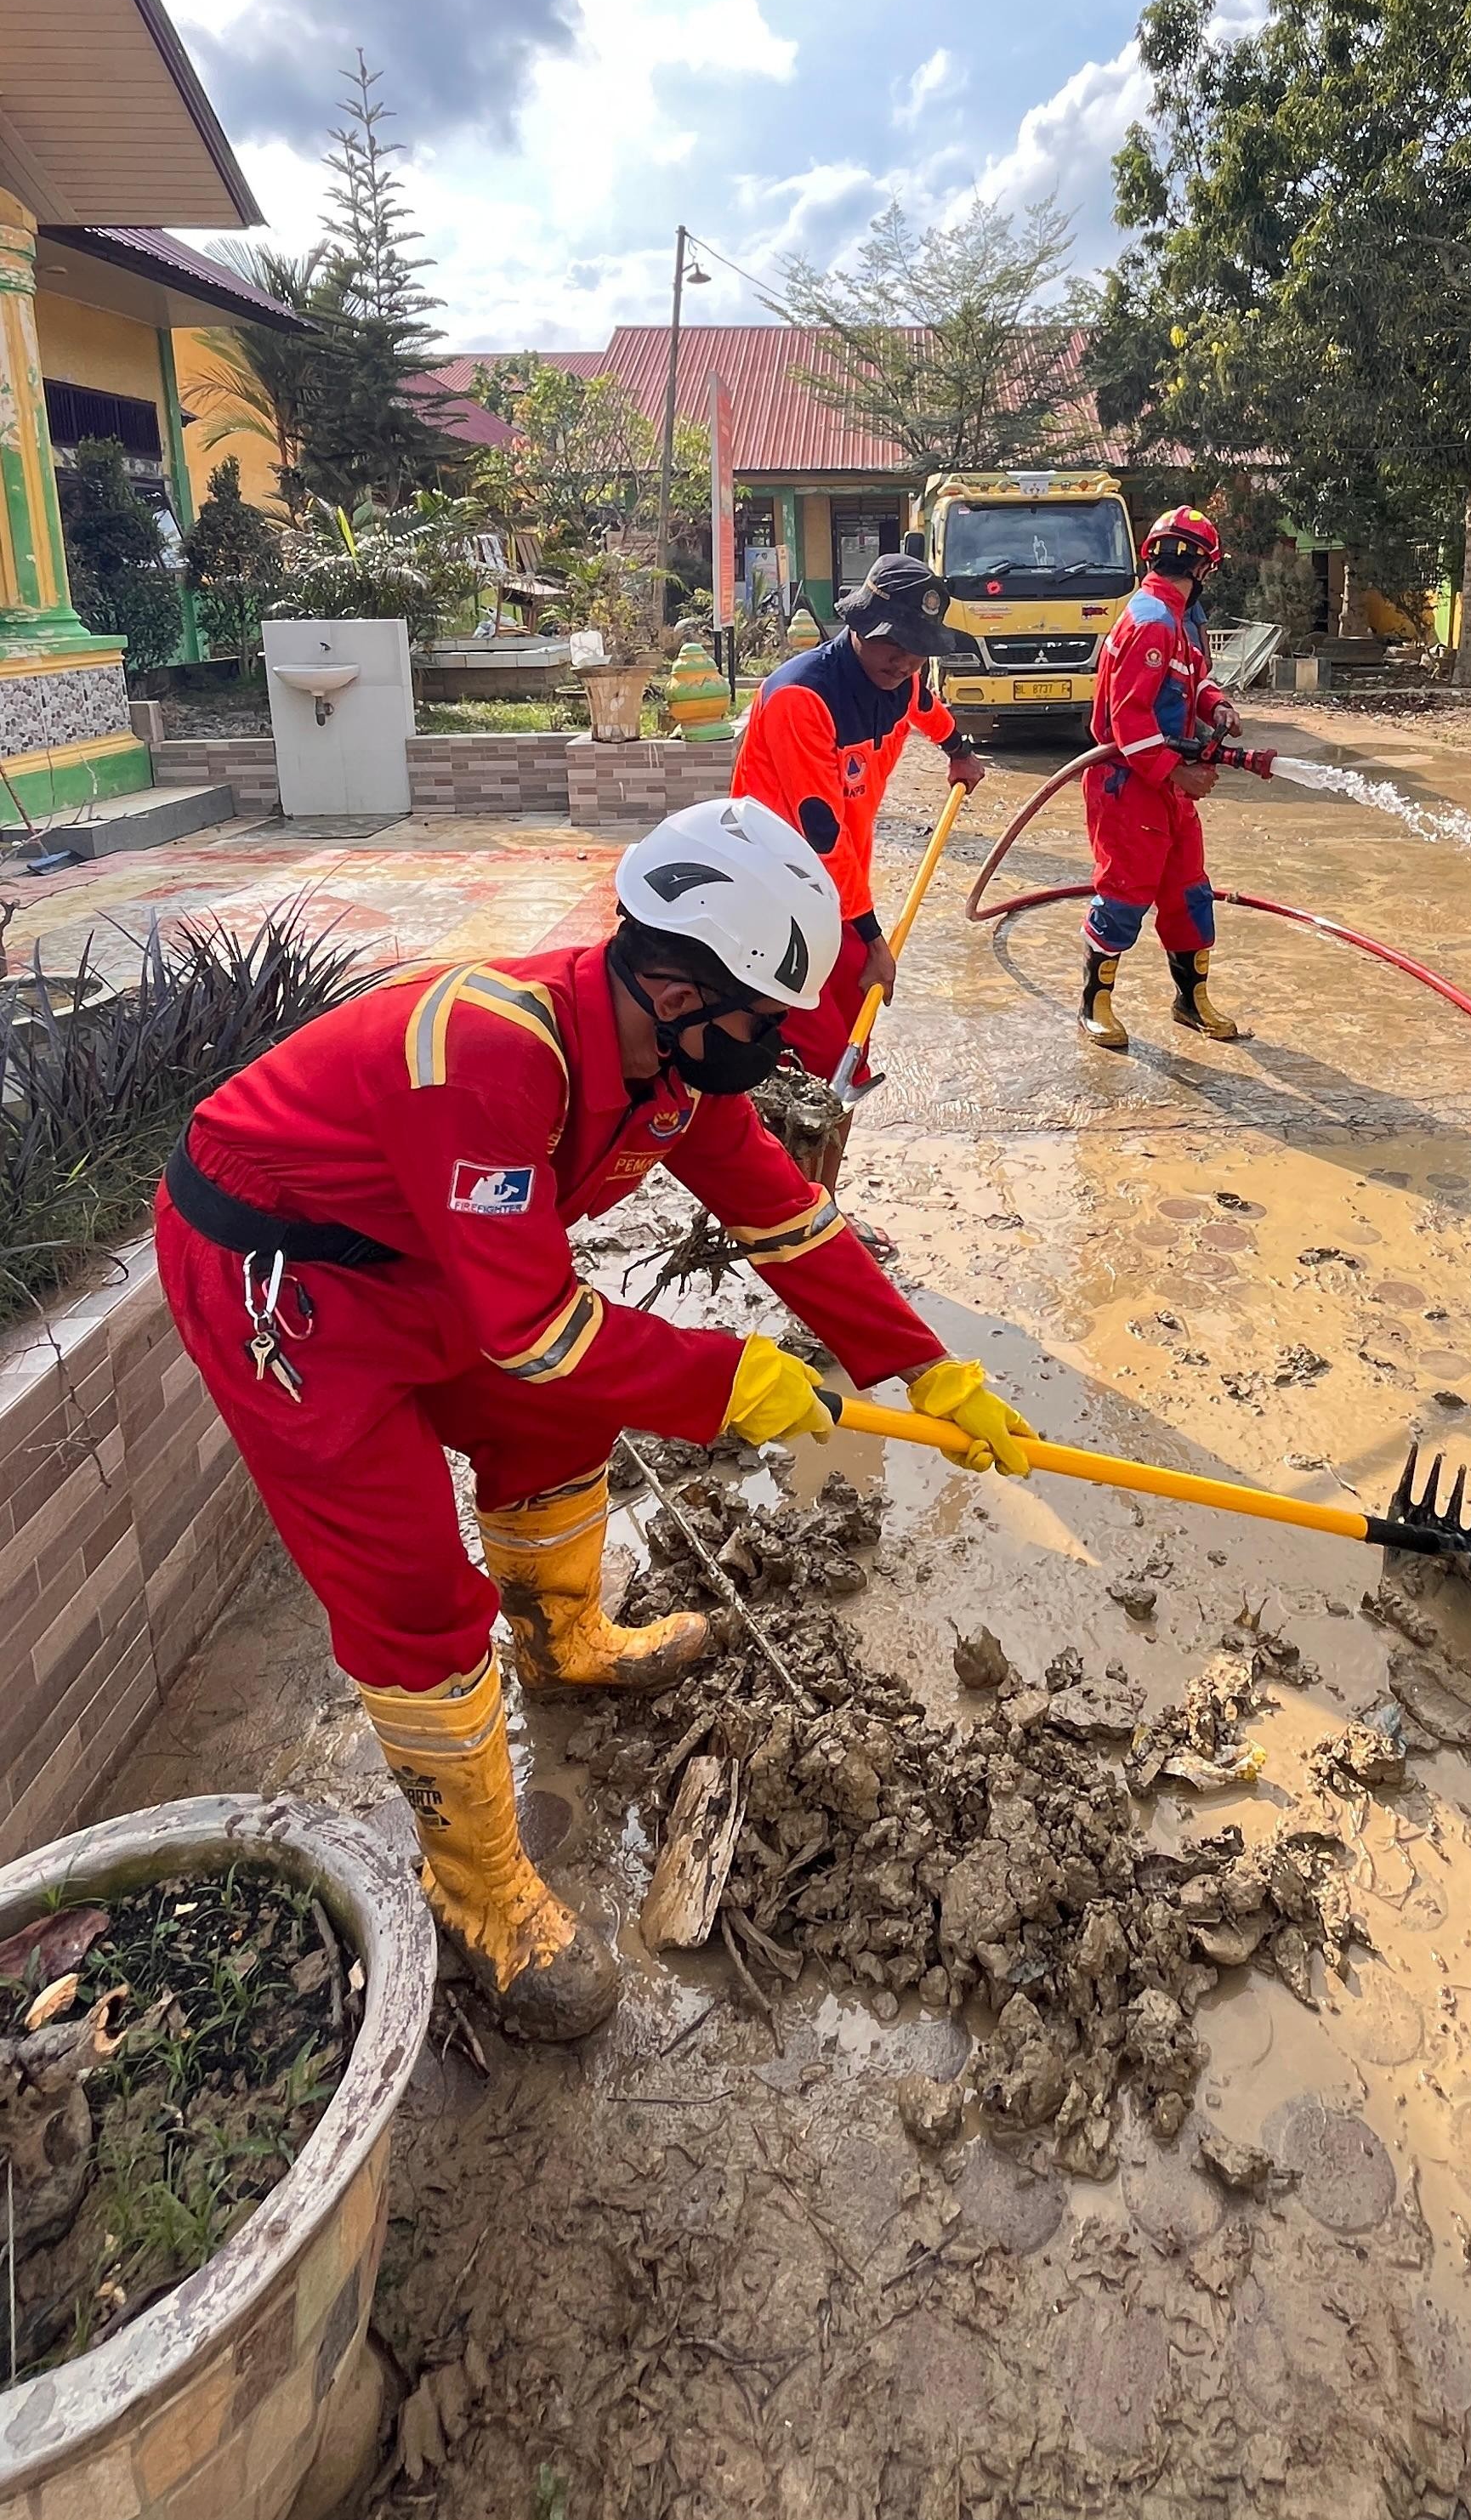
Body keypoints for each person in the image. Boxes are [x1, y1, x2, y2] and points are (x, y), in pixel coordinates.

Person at [154, 797, 1037, 2043]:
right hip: (287, 1282)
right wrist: (726, 1383)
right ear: (675, 983)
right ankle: (475, 1894)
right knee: (410, 1587)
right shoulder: (496, 1051)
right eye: (765, 1018)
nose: (782, 1044)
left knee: (553, 1428)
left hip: (426, 1258)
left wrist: (923, 1367)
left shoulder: (667, 1074)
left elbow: (785, 1219)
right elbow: (536, 1330)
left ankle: (562, 1640)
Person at [733, 553, 987, 1080]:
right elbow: (822, 836)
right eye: (892, 645)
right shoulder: (802, 699)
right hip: (779, 881)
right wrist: (874, 940)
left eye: (917, 652)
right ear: (858, 624)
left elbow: (927, 708)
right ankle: (790, 1132)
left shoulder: (903, 680)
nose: (903, 664)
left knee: (855, 1015)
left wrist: (958, 750)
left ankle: (828, 1119)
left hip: (841, 882)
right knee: (810, 1033)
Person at [1079, 504, 1241, 1053]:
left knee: (1189, 892)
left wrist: (1215, 707)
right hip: (1130, 787)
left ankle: (1190, 1001)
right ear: (1202, 568)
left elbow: (1189, 680)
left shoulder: (1173, 619)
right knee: (1124, 895)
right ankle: (1093, 1006)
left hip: (1168, 787)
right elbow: (1128, 719)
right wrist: (1178, 772)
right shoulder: (1151, 619)